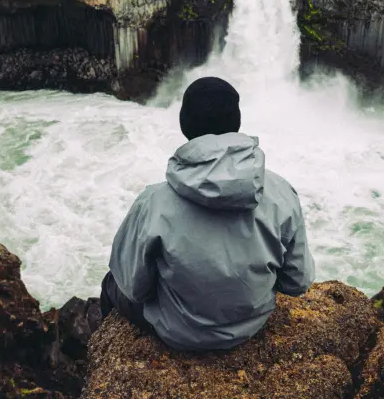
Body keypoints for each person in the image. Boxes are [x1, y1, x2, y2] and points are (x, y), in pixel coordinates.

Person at [100, 76, 314, 351]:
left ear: (184, 124)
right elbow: (297, 282)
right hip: (251, 326)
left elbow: (134, 287)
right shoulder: (281, 192)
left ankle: (107, 351)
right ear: (236, 122)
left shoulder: (153, 203)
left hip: (177, 333)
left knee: (111, 282)